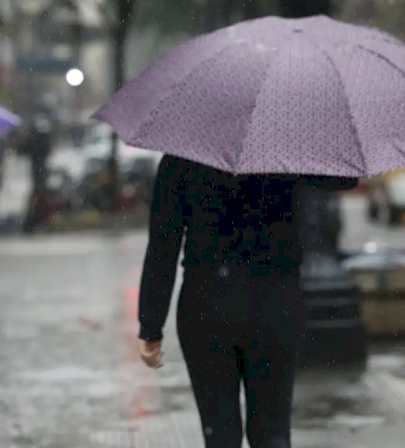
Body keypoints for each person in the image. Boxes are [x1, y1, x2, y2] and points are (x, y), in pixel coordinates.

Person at [138, 155, 356, 448]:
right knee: (273, 431)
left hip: (207, 304)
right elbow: (345, 178)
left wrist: (151, 325)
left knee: (220, 432)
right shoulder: (282, 150)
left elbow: (163, 245)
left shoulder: (182, 158)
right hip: (274, 302)